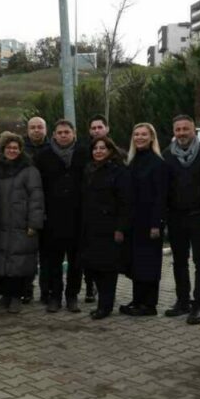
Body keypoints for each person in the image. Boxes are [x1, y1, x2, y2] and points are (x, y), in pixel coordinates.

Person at [161, 115, 200, 325]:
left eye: (185, 129)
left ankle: (198, 304)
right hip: (176, 217)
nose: (181, 133)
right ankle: (182, 301)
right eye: (178, 129)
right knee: (179, 261)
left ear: (194, 130)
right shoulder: (167, 155)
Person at [0, 132, 44, 313]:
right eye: (9, 147)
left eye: (16, 148)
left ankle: (16, 297)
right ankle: (5, 296)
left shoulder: (29, 170)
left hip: (21, 224)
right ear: (3, 149)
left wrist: (34, 223)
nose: (12, 150)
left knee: (19, 263)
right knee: (1, 261)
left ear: (20, 150)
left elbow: (36, 198)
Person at [35, 119, 85, 313]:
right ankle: (54, 296)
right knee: (53, 261)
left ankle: (72, 296)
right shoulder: (43, 156)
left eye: (67, 132)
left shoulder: (83, 153)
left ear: (74, 134)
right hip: (52, 218)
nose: (63, 135)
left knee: (76, 262)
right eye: (60, 132)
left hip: (77, 217)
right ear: (54, 135)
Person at [80, 136, 132, 319]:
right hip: (90, 227)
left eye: (102, 148)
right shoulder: (89, 169)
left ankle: (105, 306)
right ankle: (103, 303)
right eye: (95, 148)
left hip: (109, 227)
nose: (98, 151)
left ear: (110, 150)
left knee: (107, 269)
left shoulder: (118, 171)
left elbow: (125, 202)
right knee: (94, 266)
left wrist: (120, 228)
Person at [121, 123, 168, 317]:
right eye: (136, 134)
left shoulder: (157, 163)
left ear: (152, 138)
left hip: (150, 223)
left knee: (149, 264)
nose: (139, 137)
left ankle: (149, 305)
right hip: (134, 222)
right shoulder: (132, 161)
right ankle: (137, 300)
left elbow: (160, 196)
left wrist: (156, 224)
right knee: (136, 263)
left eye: (143, 134)